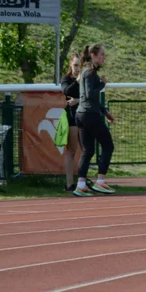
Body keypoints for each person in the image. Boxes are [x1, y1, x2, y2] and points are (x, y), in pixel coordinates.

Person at [72, 45, 115, 196]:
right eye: (102, 54)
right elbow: (90, 95)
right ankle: (100, 181)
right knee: (108, 145)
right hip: (89, 115)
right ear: (93, 55)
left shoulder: (88, 71)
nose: (104, 57)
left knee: (88, 150)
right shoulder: (90, 72)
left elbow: (88, 97)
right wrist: (103, 84)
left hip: (82, 114)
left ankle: (81, 185)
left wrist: (105, 111)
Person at [61, 53, 82, 193]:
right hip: (72, 116)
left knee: (87, 149)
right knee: (72, 150)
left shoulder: (86, 78)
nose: (77, 68)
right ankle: (69, 184)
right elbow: (67, 91)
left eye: (79, 65)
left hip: (86, 115)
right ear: (70, 64)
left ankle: (83, 181)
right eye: (75, 65)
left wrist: (78, 100)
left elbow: (91, 96)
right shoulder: (66, 79)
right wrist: (77, 81)